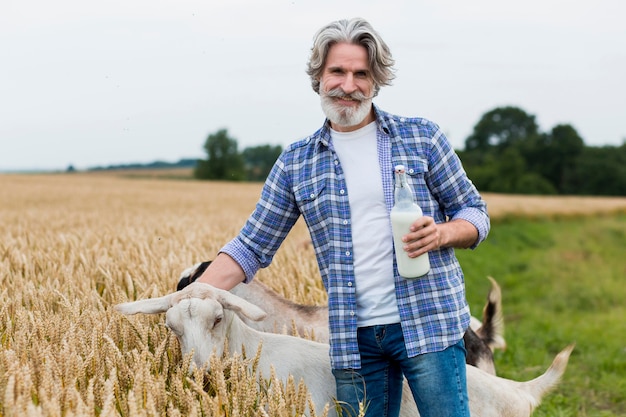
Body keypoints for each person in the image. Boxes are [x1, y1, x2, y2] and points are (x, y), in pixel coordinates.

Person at [193, 17, 489, 417]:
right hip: (355, 339)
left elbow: (475, 213)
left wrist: (442, 233)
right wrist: (188, 298)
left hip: (430, 324)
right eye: (337, 71)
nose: (348, 85)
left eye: (360, 74)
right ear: (318, 76)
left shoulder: (422, 137)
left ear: (376, 81)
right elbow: (250, 247)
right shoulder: (297, 162)